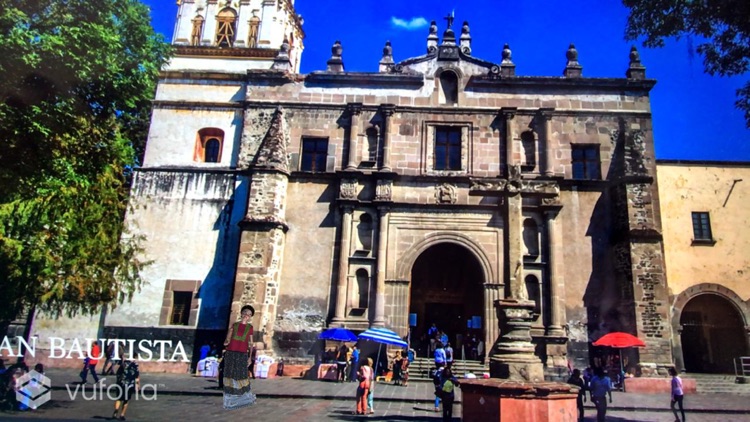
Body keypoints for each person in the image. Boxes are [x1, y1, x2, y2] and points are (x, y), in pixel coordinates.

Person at [222, 305, 256, 409]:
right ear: (241, 313)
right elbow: (228, 338)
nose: (247, 316)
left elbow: (251, 343)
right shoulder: (234, 325)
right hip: (231, 351)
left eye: (249, 315)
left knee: (241, 373)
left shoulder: (250, 328)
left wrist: (250, 357)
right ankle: (230, 395)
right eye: (245, 313)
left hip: (242, 352)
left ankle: (242, 395)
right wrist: (226, 342)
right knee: (230, 373)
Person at [112, 355, 139, 421]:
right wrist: (137, 385)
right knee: (126, 400)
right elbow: (137, 377)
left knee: (119, 398)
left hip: (121, 384)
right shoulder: (135, 366)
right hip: (130, 385)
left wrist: (118, 382)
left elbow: (118, 374)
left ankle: (116, 411)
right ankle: (122, 414)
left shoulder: (123, 365)